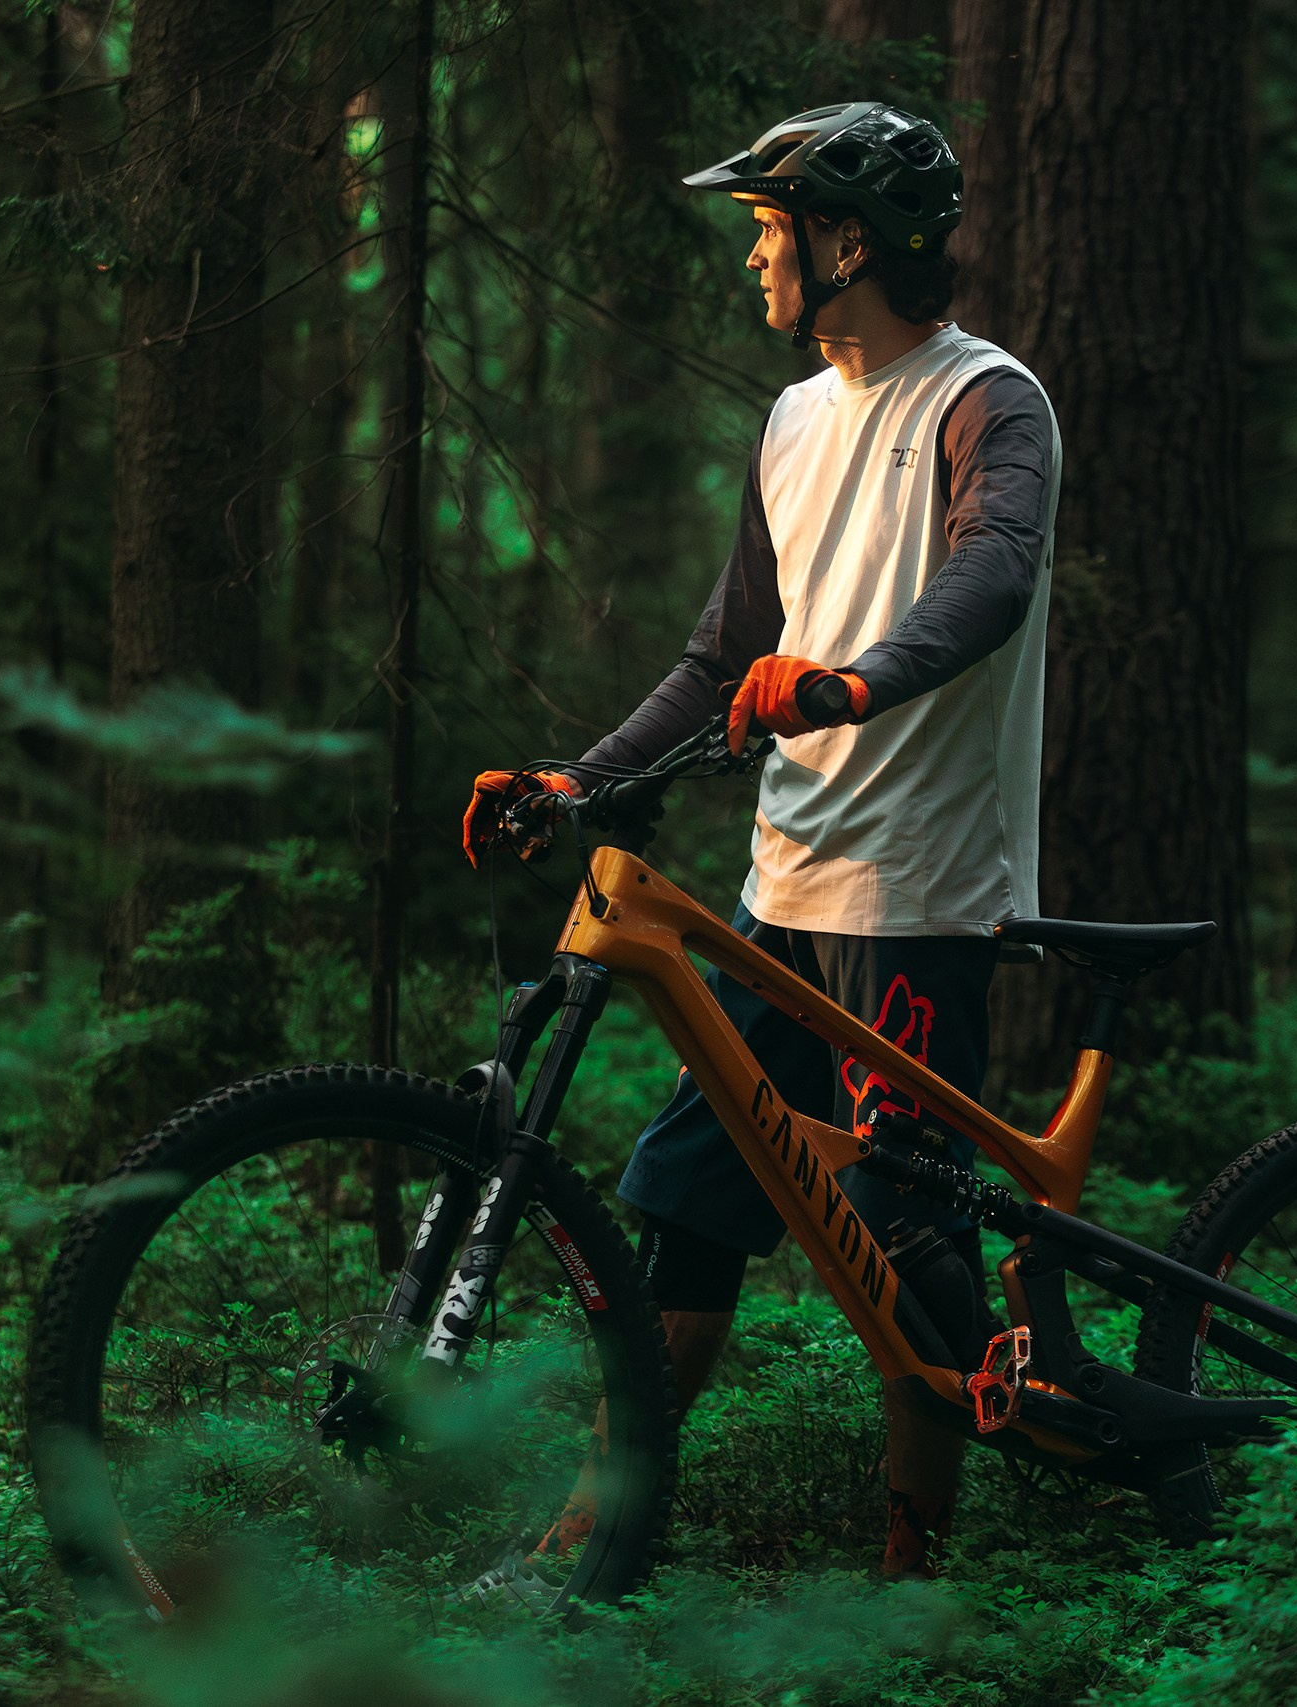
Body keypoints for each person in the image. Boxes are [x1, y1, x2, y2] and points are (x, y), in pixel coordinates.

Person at [463, 101, 1063, 1581]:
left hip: (917, 901)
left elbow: (995, 572)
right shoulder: (796, 417)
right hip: (777, 897)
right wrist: (576, 782)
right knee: (684, 1211)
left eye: (769, 229)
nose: (754, 258)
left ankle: (912, 1587)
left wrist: (855, 678)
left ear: (847, 241)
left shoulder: (989, 400)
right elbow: (722, 653)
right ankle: (593, 1548)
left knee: (910, 1244)